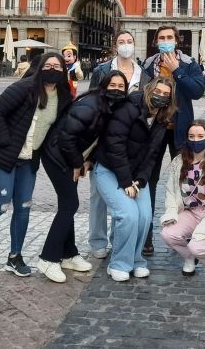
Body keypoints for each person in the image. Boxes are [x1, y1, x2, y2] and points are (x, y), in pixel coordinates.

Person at [0, 52, 71, 277]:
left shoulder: (63, 95)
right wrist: (6, 142)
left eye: (58, 67)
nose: (53, 70)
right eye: (49, 65)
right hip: (3, 156)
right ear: (40, 68)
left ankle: (14, 257)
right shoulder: (25, 87)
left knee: (24, 207)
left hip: (29, 160)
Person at [36, 70, 131, 283]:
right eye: (112, 85)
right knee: (70, 205)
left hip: (68, 156)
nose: (116, 90)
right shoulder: (91, 105)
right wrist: (78, 163)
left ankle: (68, 254)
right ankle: (48, 258)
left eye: (121, 87)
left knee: (67, 203)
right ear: (104, 87)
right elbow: (67, 137)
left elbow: (98, 139)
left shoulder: (107, 106)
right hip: (56, 155)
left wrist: (86, 160)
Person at [93, 77, 176, 281]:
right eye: (158, 91)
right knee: (128, 214)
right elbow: (115, 146)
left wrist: (140, 180)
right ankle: (119, 263)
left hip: (136, 174)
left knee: (145, 216)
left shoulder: (163, 119)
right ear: (149, 90)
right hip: (109, 169)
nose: (161, 96)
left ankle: (136, 259)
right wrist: (126, 182)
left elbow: (153, 156)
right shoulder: (128, 108)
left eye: (166, 94)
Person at [87, 30, 151, 259]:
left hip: (128, 143)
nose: (126, 45)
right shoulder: (101, 70)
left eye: (129, 41)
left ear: (135, 45)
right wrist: (88, 152)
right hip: (102, 141)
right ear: (115, 46)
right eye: (121, 42)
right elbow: (92, 104)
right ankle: (97, 240)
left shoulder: (144, 74)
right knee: (98, 195)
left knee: (121, 197)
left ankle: (118, 238)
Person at [142, 25, 205, 256]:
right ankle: (145, 236)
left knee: (186, 183)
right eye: (162, 38)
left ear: (177, 41)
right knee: (148, 181)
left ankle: (184, 233)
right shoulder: (148, 64)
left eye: (170, 37)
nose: (166, 41)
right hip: (154, 130)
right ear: (156, 41)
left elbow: (197, 91)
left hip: (181, 130)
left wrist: (177, 70)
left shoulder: (189, 63)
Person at [160, 119, 205, 277]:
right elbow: (171, 191)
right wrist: (172, 212)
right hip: (190, 212)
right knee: (168, 234)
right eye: (191, 136)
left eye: (200, 136)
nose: (195, 140)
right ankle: (190, 257)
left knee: (197, 245)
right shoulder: (178, 162)